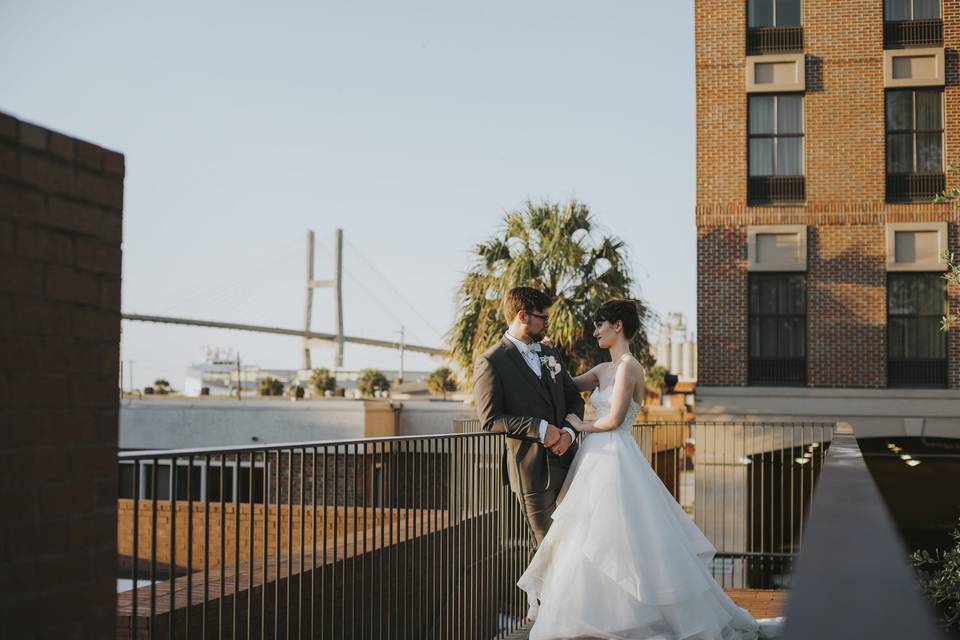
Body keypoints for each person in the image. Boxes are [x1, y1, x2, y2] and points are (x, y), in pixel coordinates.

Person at [518, 298, 776, 640]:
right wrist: (551, 356)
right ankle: (599, 613)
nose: (595, 332)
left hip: (617, 457)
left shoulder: (629, 367)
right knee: (591, 533)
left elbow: (612, 420)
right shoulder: (602, 369)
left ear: (618, 326)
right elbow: (567, 384)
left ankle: (638, 616)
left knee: (626, 535)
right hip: (594, 459)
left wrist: (576, 427)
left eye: (600, 325)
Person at [472, 286, 585, 552]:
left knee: (578, 546)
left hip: (572, 464)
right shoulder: (491, 361)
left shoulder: (549, 353)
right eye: (543, 318)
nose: (548, 323)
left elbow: (574, 399)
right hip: (532, 473)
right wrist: (540, 428)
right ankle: (543, 596)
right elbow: (490, 419)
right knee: (549, 549)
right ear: (523, 316)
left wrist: (569, 433)